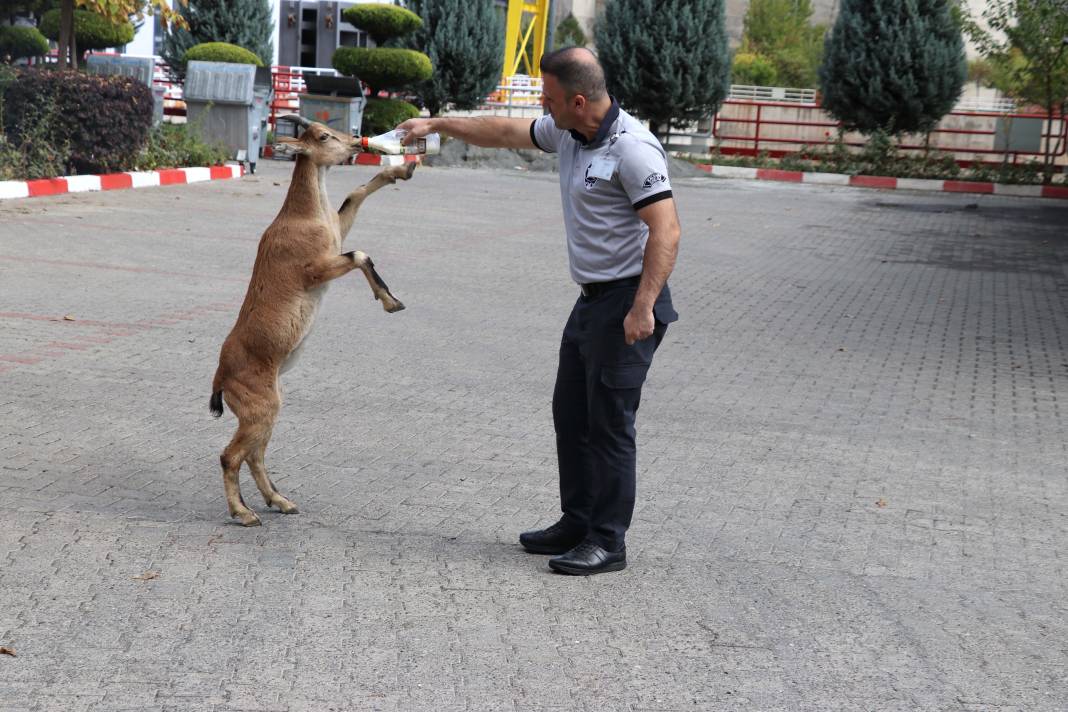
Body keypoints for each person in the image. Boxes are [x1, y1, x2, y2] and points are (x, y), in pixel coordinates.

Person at [397, 47, 680, 575]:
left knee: (610, 425)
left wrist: (643, 307)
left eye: (548, 100)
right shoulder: (568, 131)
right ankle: (576, 521)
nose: (542, 110)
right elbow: (505, 132)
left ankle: (607, 541)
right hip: (591, 300)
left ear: (577, 100)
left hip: (628, 302)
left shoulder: (634, 149)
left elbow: (667, 230)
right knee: (571, 416)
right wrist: (438, 123)